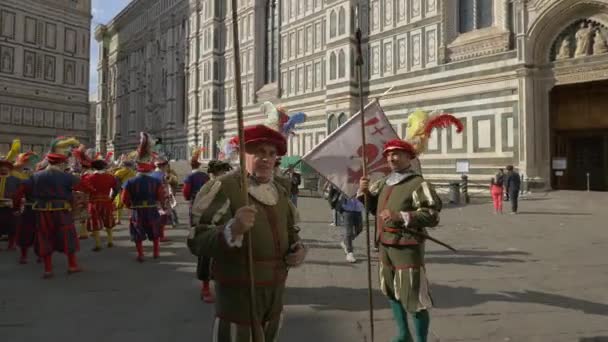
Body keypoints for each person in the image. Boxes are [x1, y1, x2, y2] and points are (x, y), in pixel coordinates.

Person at [187, 124, 306, 341]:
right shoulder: (223, 187)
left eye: (271, 153)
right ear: (242, 154)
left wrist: (298, 250)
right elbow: (197, 240)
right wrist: (232, 229)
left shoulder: (279, 191)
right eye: (259, 152)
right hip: (238, 298)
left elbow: (292, 234)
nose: (266, 158)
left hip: (274, 296)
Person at [358, 139, 442, 342]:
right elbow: (373, 210)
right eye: (388, 154)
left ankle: (421, 340)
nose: (391, 158)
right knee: (390, 290)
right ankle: (403, 334)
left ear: (409, 157)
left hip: (407, 247)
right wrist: (364, 192)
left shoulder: (418, 184)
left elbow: (432, 216)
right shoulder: (384, 182)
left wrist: (401, 216)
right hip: (384, 245)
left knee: (414, 296)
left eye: (397, 154)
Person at [14, 137, 89, 278]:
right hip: (62, 212)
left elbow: (19, 192)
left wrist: (16, 206)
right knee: (68, 237)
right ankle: (72, 266)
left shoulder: (35, 176)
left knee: (44, 237)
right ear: (61, 162)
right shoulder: (67, 177)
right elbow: (86, 187)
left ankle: (48, 269)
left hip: (43, 212)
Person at [121, 133, 167, 262]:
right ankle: (156, 252)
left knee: (137, 232)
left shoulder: (130, 182)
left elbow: (125, 199)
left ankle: (141, 254)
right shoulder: (156, 182)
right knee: (155, 231)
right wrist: (162, 206)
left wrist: (130, 206)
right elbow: (161, 197)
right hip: (152, 209)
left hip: (137, 210)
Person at [193, 159, 231, 303]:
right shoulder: (208, 187)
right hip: (210, 226)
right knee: (207, 258)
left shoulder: (227, 185)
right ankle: (206, 288)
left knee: (218, 258)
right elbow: (198, 208)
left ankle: (215, 288)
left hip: (223, 225)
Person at [82, 159, 120, 251]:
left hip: (94, 202)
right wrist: (112, 198)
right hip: (106, 201)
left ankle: (98, 244)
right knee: (108, 220)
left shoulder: (88, 177)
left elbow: (85, 191)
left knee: (94, 222)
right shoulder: (111, 177)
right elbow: (116, 189)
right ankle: (110, 240)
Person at [12, 152, 40, 263]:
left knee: (25, 232)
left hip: (29, 209)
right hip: (42, 209)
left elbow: (17, 196)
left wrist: (16, 208)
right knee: (40, 232)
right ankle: (40, 255)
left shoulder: (26, 182)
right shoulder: (43, 181)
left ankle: (24, 256)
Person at [0, 155, 20, 251]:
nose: (3, 168)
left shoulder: (16, 180)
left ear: (9, 168)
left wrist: (17, 205)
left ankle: (12, 244)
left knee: (12, 226)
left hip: (11, 206)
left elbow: (20, 194)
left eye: (6, 166)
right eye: (2, 166)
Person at [338, 195, 364, 263]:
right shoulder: (345, 185)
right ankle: (349, 253)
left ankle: (345, 241)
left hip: (358, 209)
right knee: (349, 232)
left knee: (359, 229)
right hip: (347, 209)